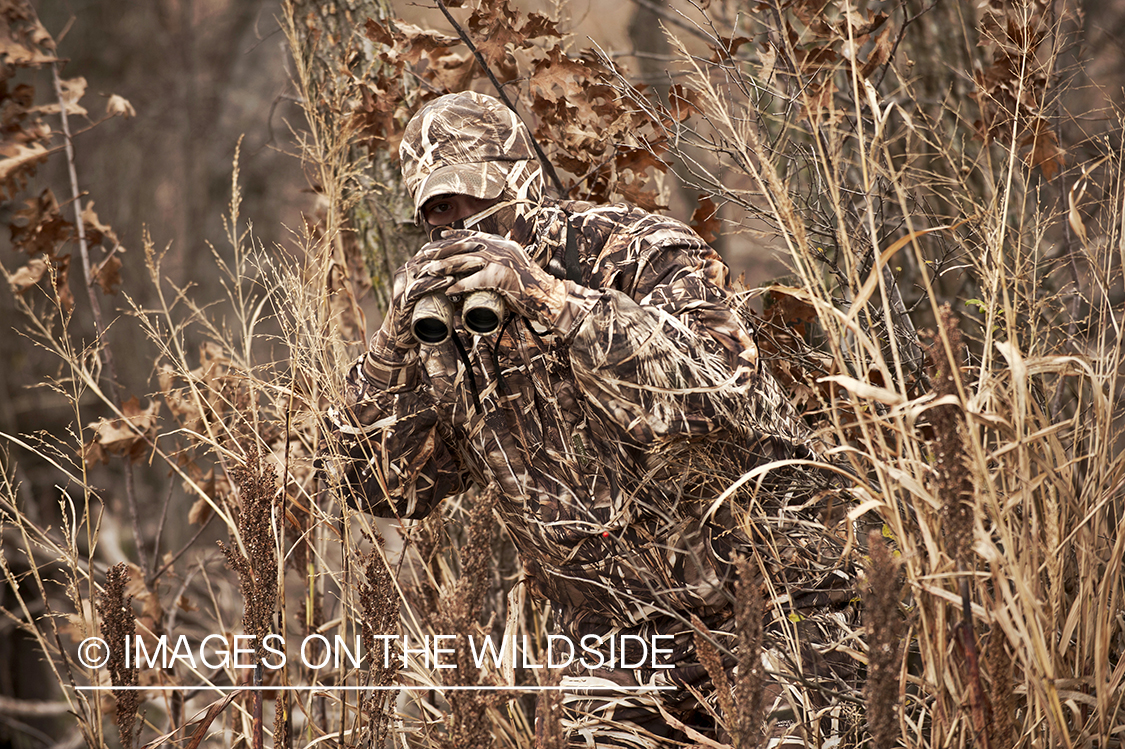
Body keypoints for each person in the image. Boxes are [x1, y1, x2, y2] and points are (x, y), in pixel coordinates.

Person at [325, 91, 860, 747]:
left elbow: (728, 393)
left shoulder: (636, 249)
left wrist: (550, 299)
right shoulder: (447, 331)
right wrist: (393, 339)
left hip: (767, 604)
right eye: (439, 209)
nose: (461, 224)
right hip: (612, 641)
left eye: (475, 197)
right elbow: (380, 487)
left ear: (523, 181)